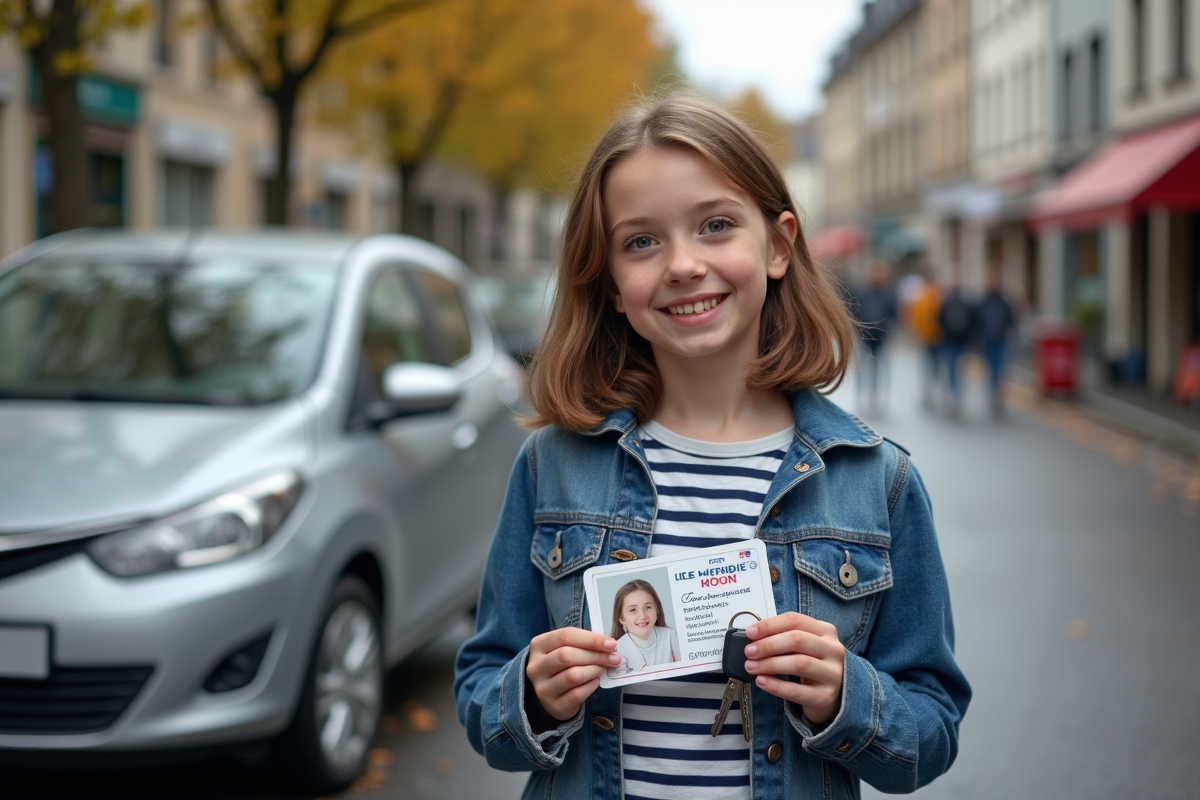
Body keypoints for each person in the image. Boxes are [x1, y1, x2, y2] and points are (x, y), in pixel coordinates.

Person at [454, 95, 970, 800]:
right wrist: (531, 695)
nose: (683, 264)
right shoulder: (553, 466)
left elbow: (931, 735)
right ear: (609, 284)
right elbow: (484, 692)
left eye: (716, 226)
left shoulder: (877, 480)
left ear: (779, 245)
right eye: (641, 241)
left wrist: (848, 694)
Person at [851, 259, 897, 413]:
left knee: (878, 367)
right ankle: (861, 393)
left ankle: (875, 395)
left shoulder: (887, 293)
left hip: (881, 337)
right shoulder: (863, 293)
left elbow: (893, 313)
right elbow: (855, 312)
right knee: (863, 367)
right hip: (864, 337)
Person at [609, 579, 681, 674]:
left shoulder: (670, 635)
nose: (642, 616)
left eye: (648, 607)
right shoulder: (619, 649)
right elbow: (619, 684)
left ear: (657, 609)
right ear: (622, 618)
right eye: (633, 610)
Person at [976, 268, 1015, 416]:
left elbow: (1010, 320)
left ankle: (997, 396)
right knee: (990, 370)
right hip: (987, 342)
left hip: (1001, 341)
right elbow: (977, 322)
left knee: (1000, 371)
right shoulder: (982, 301)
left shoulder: (1004, 302)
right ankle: (992, 394)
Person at [906, 267, 944, 409]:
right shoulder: (936, 295)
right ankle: (930, 386)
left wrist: (916, 332)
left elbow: (915, 317)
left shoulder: (921, 296)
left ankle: (928, 387)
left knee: (928, 363)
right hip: (933, 336)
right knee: (933, 363)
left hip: (929, 336)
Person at [937, 275, 974, 415]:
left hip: (959, 342)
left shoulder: (962, 303)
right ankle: (954, 394)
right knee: (953, 368)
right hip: (950, 341)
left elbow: (971, 321)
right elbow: (939, 319)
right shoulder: (947, 302)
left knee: (956, 369)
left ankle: (956, 394)